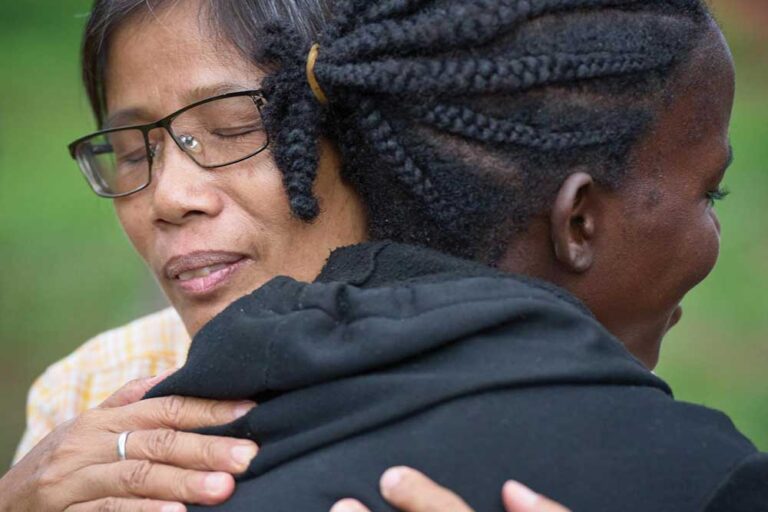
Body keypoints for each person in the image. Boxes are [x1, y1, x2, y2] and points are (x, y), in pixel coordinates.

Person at [1, 0, 763, 509]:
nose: (168, 196)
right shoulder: (88, 397)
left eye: (233, 129)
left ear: (362, 124)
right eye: (133, 151)